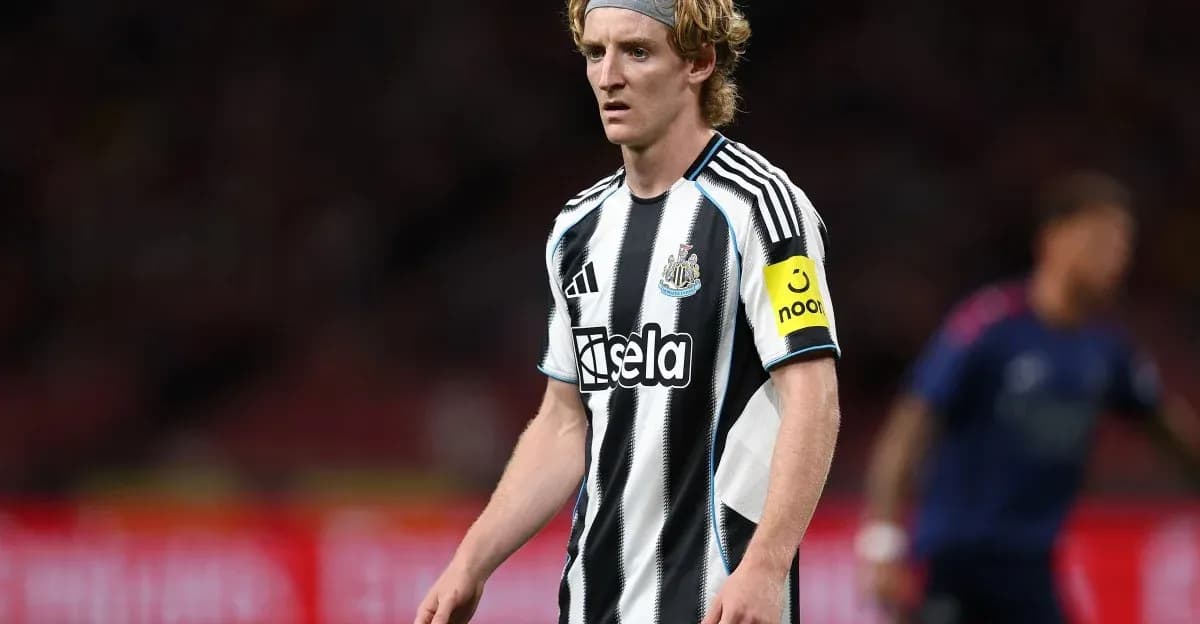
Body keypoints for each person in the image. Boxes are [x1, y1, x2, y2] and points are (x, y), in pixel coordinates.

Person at [415, 1, 843, 623]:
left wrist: (766, 565)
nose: (608, 75)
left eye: (636, 52)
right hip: (595, 602)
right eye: (595, 53)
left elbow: (814, 400)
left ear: (698, 61)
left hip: (721, 602)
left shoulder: (762, 209)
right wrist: (471, 561)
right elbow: (564, 423)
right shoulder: (577, 230)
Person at [858, 172, 1200, 624]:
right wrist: (883, 540)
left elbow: (1168, 430)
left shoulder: (1107, 349)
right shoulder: (989, 327)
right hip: (953, 563)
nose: (1115, 259)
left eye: (1123, 247)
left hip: (1031, 570)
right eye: (1101, 241)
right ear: (1054, 240)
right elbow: (907, 431)